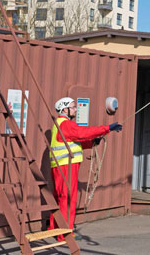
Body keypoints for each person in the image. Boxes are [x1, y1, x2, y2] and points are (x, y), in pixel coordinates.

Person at [48, 97, 123, 239]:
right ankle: (64, 234)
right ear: (65, 109)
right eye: (73, 107)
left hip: (60, 166)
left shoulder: (60, 125)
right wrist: (107, 129)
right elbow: (83, 132)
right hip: (66, 166)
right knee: (68, 199)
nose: (76, 109)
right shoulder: (65, 124)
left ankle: (54, 228)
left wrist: (93, 142)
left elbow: (75, 142)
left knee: (60, 198)